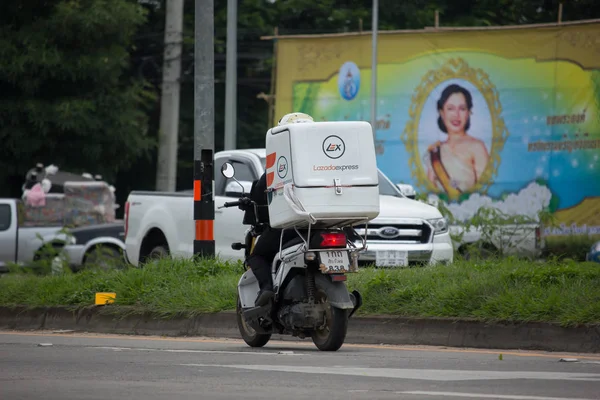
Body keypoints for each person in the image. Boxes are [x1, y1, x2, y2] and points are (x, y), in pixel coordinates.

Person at [424, 83, 490, 196]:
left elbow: (485, 189)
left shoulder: (477, 147)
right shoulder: (436, 151)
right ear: (442, 113)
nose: (456, 115)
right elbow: (430, 191)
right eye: (450, 109)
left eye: (462, 109)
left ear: (469, 113)